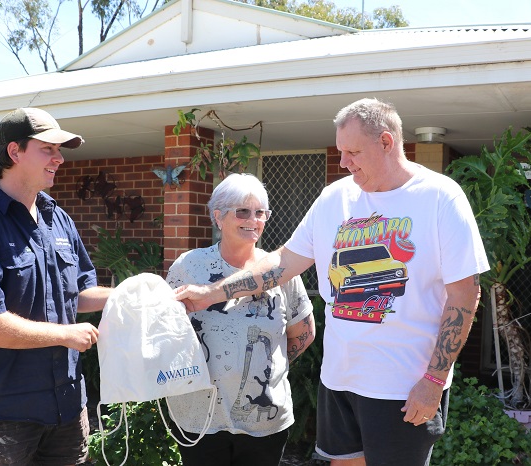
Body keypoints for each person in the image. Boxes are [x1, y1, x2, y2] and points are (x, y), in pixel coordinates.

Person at [175, 98, 490, 466]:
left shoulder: (440, 197)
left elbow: (464, 293)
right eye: (341, 152)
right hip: (338, 381)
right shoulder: (335, 197)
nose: (343, 162)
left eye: (353, 152)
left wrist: (434, 380)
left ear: (387, 143)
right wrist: (210, 293)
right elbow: (283, 261)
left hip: (401, 387)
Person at [0, 107, 112, 465]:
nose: (59, 159)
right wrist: (64, 335)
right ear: (14, 153)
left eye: (60, 150)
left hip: (66, 405)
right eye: (48, 149)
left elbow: (76, 295)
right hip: (3, 413)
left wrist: (141, 293)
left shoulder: (57, 219)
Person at [166, 173, 316, 466]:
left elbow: (304, 332)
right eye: (243, 211)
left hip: (264, 419)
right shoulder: (188, 266)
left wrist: (270, 365)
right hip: (198, 415)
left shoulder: (280, 272)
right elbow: (166, 330)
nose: (254, 219)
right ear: (218, 216)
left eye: (260, 212)